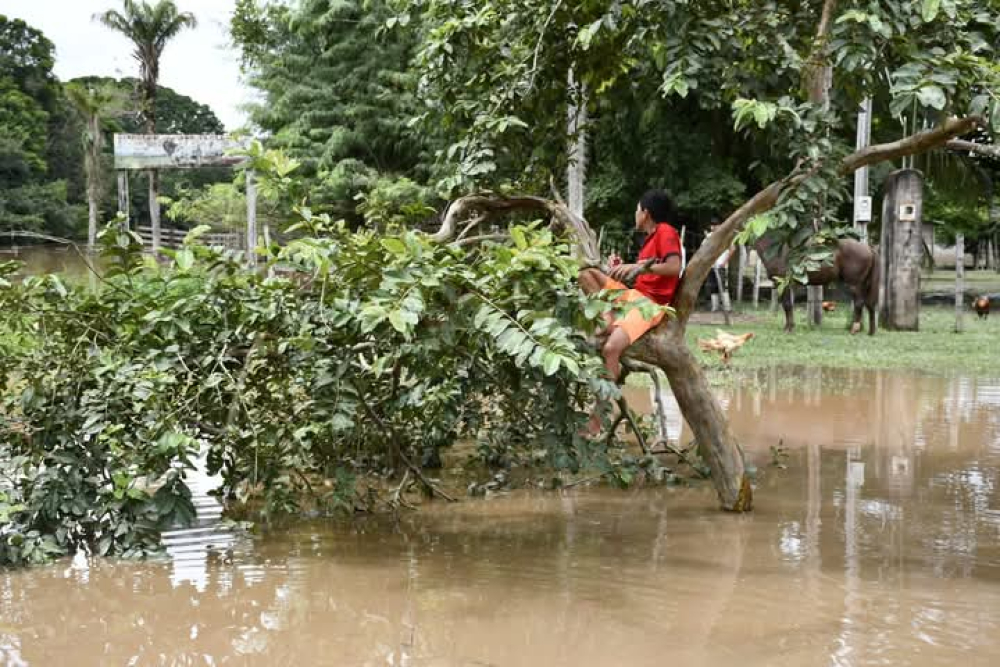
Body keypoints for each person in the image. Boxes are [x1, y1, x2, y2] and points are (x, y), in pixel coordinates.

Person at [578, 189, 682, 384]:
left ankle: (601, 410)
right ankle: (606, 319)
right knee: (586, 274)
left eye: (637, 210)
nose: (635, 214)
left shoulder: (665, 231)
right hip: (633, 296)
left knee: (611, 349)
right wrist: (619, 268)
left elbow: (674, 267)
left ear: (646, 213)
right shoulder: (650, 239)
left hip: (649, 306)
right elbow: (646, 274)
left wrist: (637, 267)